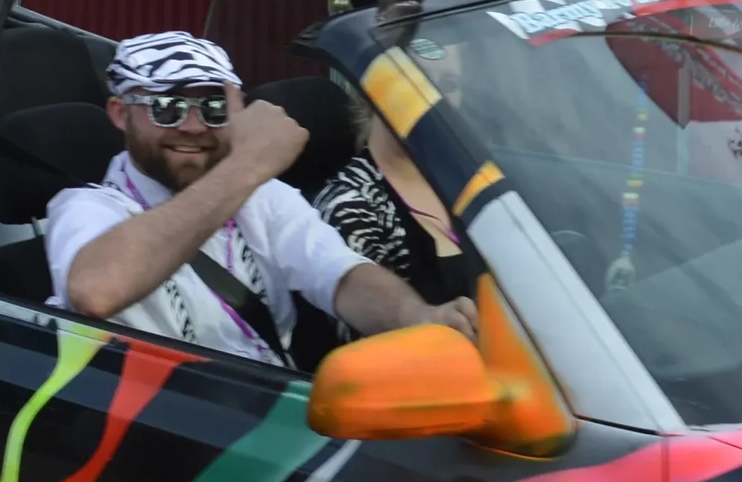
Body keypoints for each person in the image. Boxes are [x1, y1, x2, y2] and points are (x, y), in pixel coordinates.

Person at [46, 32, 477, 365]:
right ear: (121, 114)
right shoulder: (88, 208)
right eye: (168, 109)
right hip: (149, 428)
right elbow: (94, 290)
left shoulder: (262, 198)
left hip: (261, 415)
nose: (193, 127)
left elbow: (341, 275)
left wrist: (418, 320)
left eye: (213, 109)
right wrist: (249, 162)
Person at [313, 111, 483, 311]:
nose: (428, 102)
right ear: (372, 96)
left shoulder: (471, 180)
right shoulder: (348, 203)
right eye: (413, 85)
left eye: (449, 85)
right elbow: (374, 330)